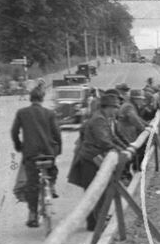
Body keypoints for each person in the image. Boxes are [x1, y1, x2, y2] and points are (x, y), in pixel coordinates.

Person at [68, 92, 123, 231]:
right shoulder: (99, 119)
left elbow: (112, 137)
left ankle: (98, 219)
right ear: (108, 107)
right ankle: (95, 223)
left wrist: (125, 147)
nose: (116, 110)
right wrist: (119, 149)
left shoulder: (103, 118)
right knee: (94, 190)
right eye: (115, 107)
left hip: (94, 158)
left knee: (99, 189)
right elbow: (104, 141)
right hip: (90, 159)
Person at [11, 87, 61, 227]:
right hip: (48, 152)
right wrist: (58, 150)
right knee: (52, 170)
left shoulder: (22, 113)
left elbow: (14, 132)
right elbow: (57, 134)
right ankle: (51, 186)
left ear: (30, 98)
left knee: (32, 184)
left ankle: (33, 214)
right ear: (42, 98)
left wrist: (19, 146)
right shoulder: (49, 113)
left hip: (31, 154)